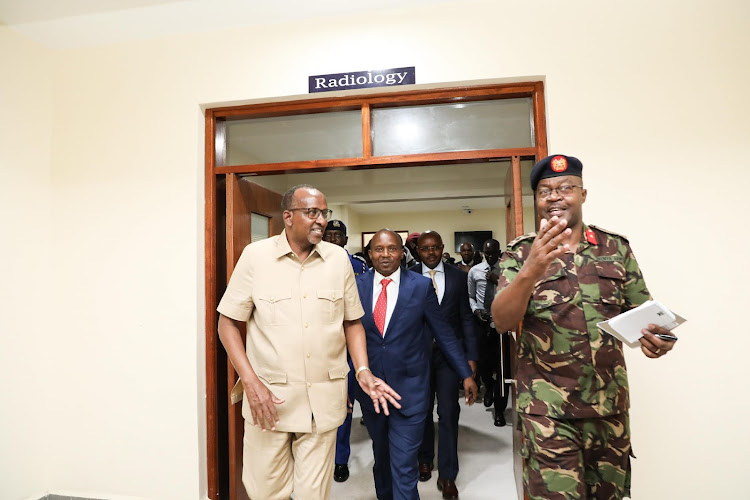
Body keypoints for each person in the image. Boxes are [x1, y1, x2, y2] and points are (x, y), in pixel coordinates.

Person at [492, 154, 677, 500]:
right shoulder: (520, 254)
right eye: (546, 191)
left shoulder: (616, 249)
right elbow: (501, 321)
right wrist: (532, 269)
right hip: (547, 413)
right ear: (537, 200)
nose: (555, 197)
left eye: (566, 188)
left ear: (583, 194)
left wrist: (657, 340)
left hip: (609, 410)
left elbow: (643, 316)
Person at [216, 185, 400, 500]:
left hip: (323, 400)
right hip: (270, 401)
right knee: (266, 492)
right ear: (288, 216)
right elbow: (228, 322)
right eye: (311, 212)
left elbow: (352, 321)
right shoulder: (256, 257)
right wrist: (249, 381)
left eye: (324, 213)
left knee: (312, 494)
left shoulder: (337, 258)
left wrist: (363, 370)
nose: (320, 220)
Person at [354, 229, 477, 500]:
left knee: (403, 465)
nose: (385, 255)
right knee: (382, 457)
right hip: (372, 391)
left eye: (392, 249)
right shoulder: (356, 286)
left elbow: (444, 333)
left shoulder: (420, 287)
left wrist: (465, 373)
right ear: (370, 253)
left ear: (402, 253)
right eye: (378, 249)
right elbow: (345, 337)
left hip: (410, 390)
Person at [410, 231, 477, 500]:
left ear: (442, 248)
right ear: (418, 251)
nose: (431, 253)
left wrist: (470, 358)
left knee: (449, 413)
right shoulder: (409, 276)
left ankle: (448, 475)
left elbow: (466, 319)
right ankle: (424, 459)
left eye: (435, 248)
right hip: (419, 356)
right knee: (422, 410)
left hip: (450, 357)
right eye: (425, 249)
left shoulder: (459, 277)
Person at [322, 219, 368, 483]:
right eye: (328, 235)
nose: (333, 239)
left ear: (346, 239)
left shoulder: (358, 266)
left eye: (338, 235)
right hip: (321, 346)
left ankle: (340, 459)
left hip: (348, 346)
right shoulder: (311, 264)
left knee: (345, 406)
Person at [467, 238, 510, 427]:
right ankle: (489, 386)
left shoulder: (507, 270)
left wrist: (498, 280)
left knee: (503, 368)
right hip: (482, 323)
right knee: (483, 364)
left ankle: (500, 410)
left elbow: (514, 292)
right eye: (487, 253)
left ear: (499, 252)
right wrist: (475, 310)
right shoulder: (475, 271)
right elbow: (470, 295)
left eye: (493, 253)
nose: (490, 256)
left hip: (503, 324)